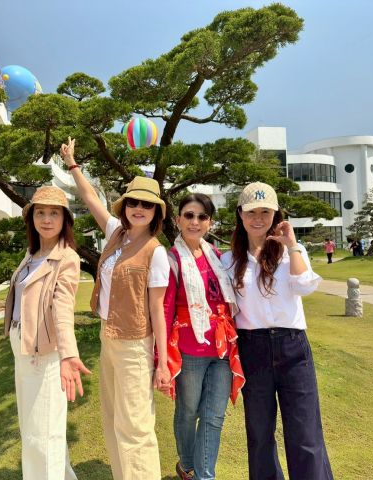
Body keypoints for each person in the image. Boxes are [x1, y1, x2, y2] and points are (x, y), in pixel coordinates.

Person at [61, 137, 170, 480]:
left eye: (147, 205)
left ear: (156, 212)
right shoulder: (116, 234)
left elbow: (157, 310)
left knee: (135, 426)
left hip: (136, 345)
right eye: (133, 202)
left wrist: (163, 362)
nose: (139, 208)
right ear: (125, 206)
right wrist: (72, 165)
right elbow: (91, 199)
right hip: (108, 337)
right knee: (112, 419)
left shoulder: (156, 252)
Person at [220, 182, 333, 480]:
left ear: (276, 215)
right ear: (240, 215)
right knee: (259, 432)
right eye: (251, 212)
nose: (258, 219)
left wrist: (292, 244)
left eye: (265, 212)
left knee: (304, 431)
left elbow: (304, 286)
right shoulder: (228, 260)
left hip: (292, 347)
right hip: (252, 348)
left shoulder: (291, 252)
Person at [3, 185, 90, 480]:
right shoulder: (31, 255)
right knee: (33, 427)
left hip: (47, 354)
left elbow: (62, 310)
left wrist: (68, 355)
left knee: (45, 433)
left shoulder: (67, 258)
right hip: (23, 348)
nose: (47, 219)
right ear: (32, 218)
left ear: (65, 219)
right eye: (40, 212)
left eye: (54, 213)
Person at [162, 193, 244, 480]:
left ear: (210, 222)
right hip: (189, 350)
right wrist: (161, 357)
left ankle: (204, 475)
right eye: (189, 215)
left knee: (214, 416)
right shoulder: (171, 259)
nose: (195, 222)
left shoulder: (218, 258)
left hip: (222, 350)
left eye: (202, 217)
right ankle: (187, 466)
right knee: (188, 412)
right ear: (177, 220)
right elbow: (165, 309)